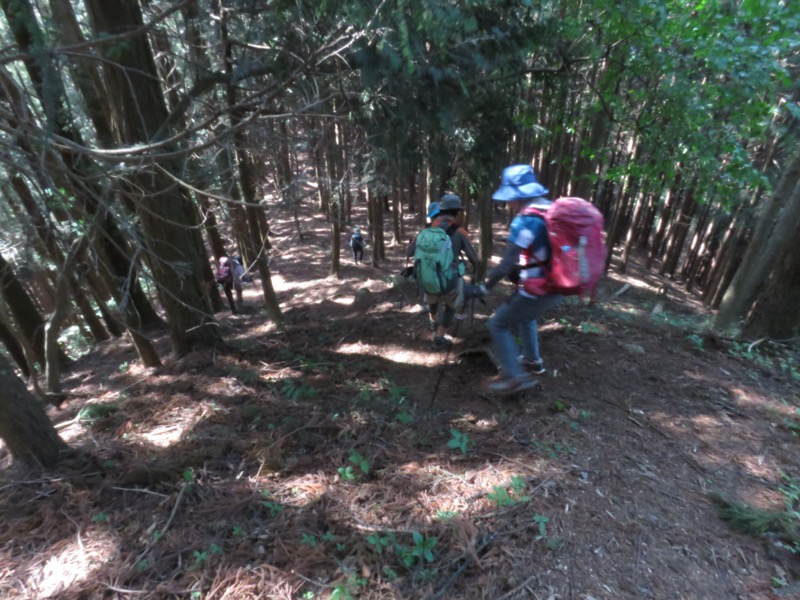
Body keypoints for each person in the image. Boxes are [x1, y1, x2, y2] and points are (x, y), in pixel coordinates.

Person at [479, 165, 564, 393]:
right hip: (560, 284)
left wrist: (485, 288)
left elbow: (506, 263)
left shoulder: (526, 221)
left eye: (510, 198)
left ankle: (515, 378)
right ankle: (532, 360)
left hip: (540, 288)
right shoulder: (551, 210)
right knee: (527, 317)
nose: (509, 203)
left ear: (517, 195)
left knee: (498, 323)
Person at [407, 194, 479, 349]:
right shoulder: (460, 232)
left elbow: (410, 252)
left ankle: (434, 322)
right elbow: (474, 258)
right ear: (457, 212)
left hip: (427, 277)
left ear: (441, 210)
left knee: (432, 300)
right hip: (450, 279)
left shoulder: (426, 230)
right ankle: (439, 337)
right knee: (450, 306)